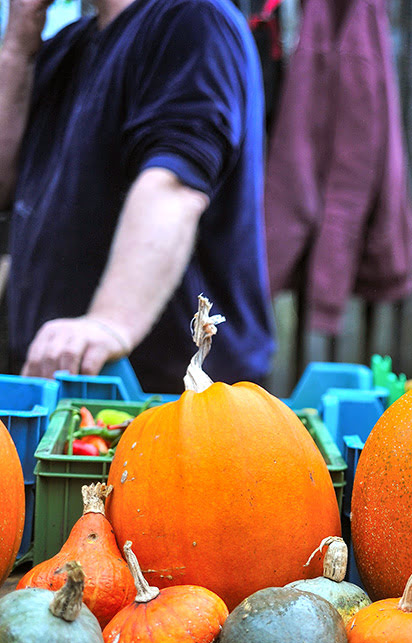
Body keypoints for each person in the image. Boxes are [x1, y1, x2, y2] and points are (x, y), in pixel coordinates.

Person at [0, 0, 274, 394]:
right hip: (66, 386)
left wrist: (109, 323)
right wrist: (17, 43)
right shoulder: (65, 48)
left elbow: (175, 187)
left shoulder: (192, 19)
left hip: (179, 402)